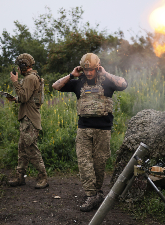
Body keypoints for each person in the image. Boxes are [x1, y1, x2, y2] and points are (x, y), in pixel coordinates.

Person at [52, 53, 128, 212]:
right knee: (84, 161)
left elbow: (123, 84)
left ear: (97, 67)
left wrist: (105, 73)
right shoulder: (77, 82)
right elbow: (56, 86)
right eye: (86, 70)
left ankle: (97, 193)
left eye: (92, 70)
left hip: (103, 129)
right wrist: (72, 75)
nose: (88, 73)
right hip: (84, 128)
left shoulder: (107, 81)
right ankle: (91, 194)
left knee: (99, 163)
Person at [7, 53, 49, 189]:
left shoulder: (30, 78)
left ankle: (43, 177)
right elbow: (28, 97)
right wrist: (15, 99)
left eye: (19, 66)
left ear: (23, 66)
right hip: (27, 118)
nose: (18, 69)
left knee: (31, 148)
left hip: (30, 119)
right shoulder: (31, 77)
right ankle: (20, 176)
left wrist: (14, 81)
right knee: (22, 149)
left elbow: (24, 97)